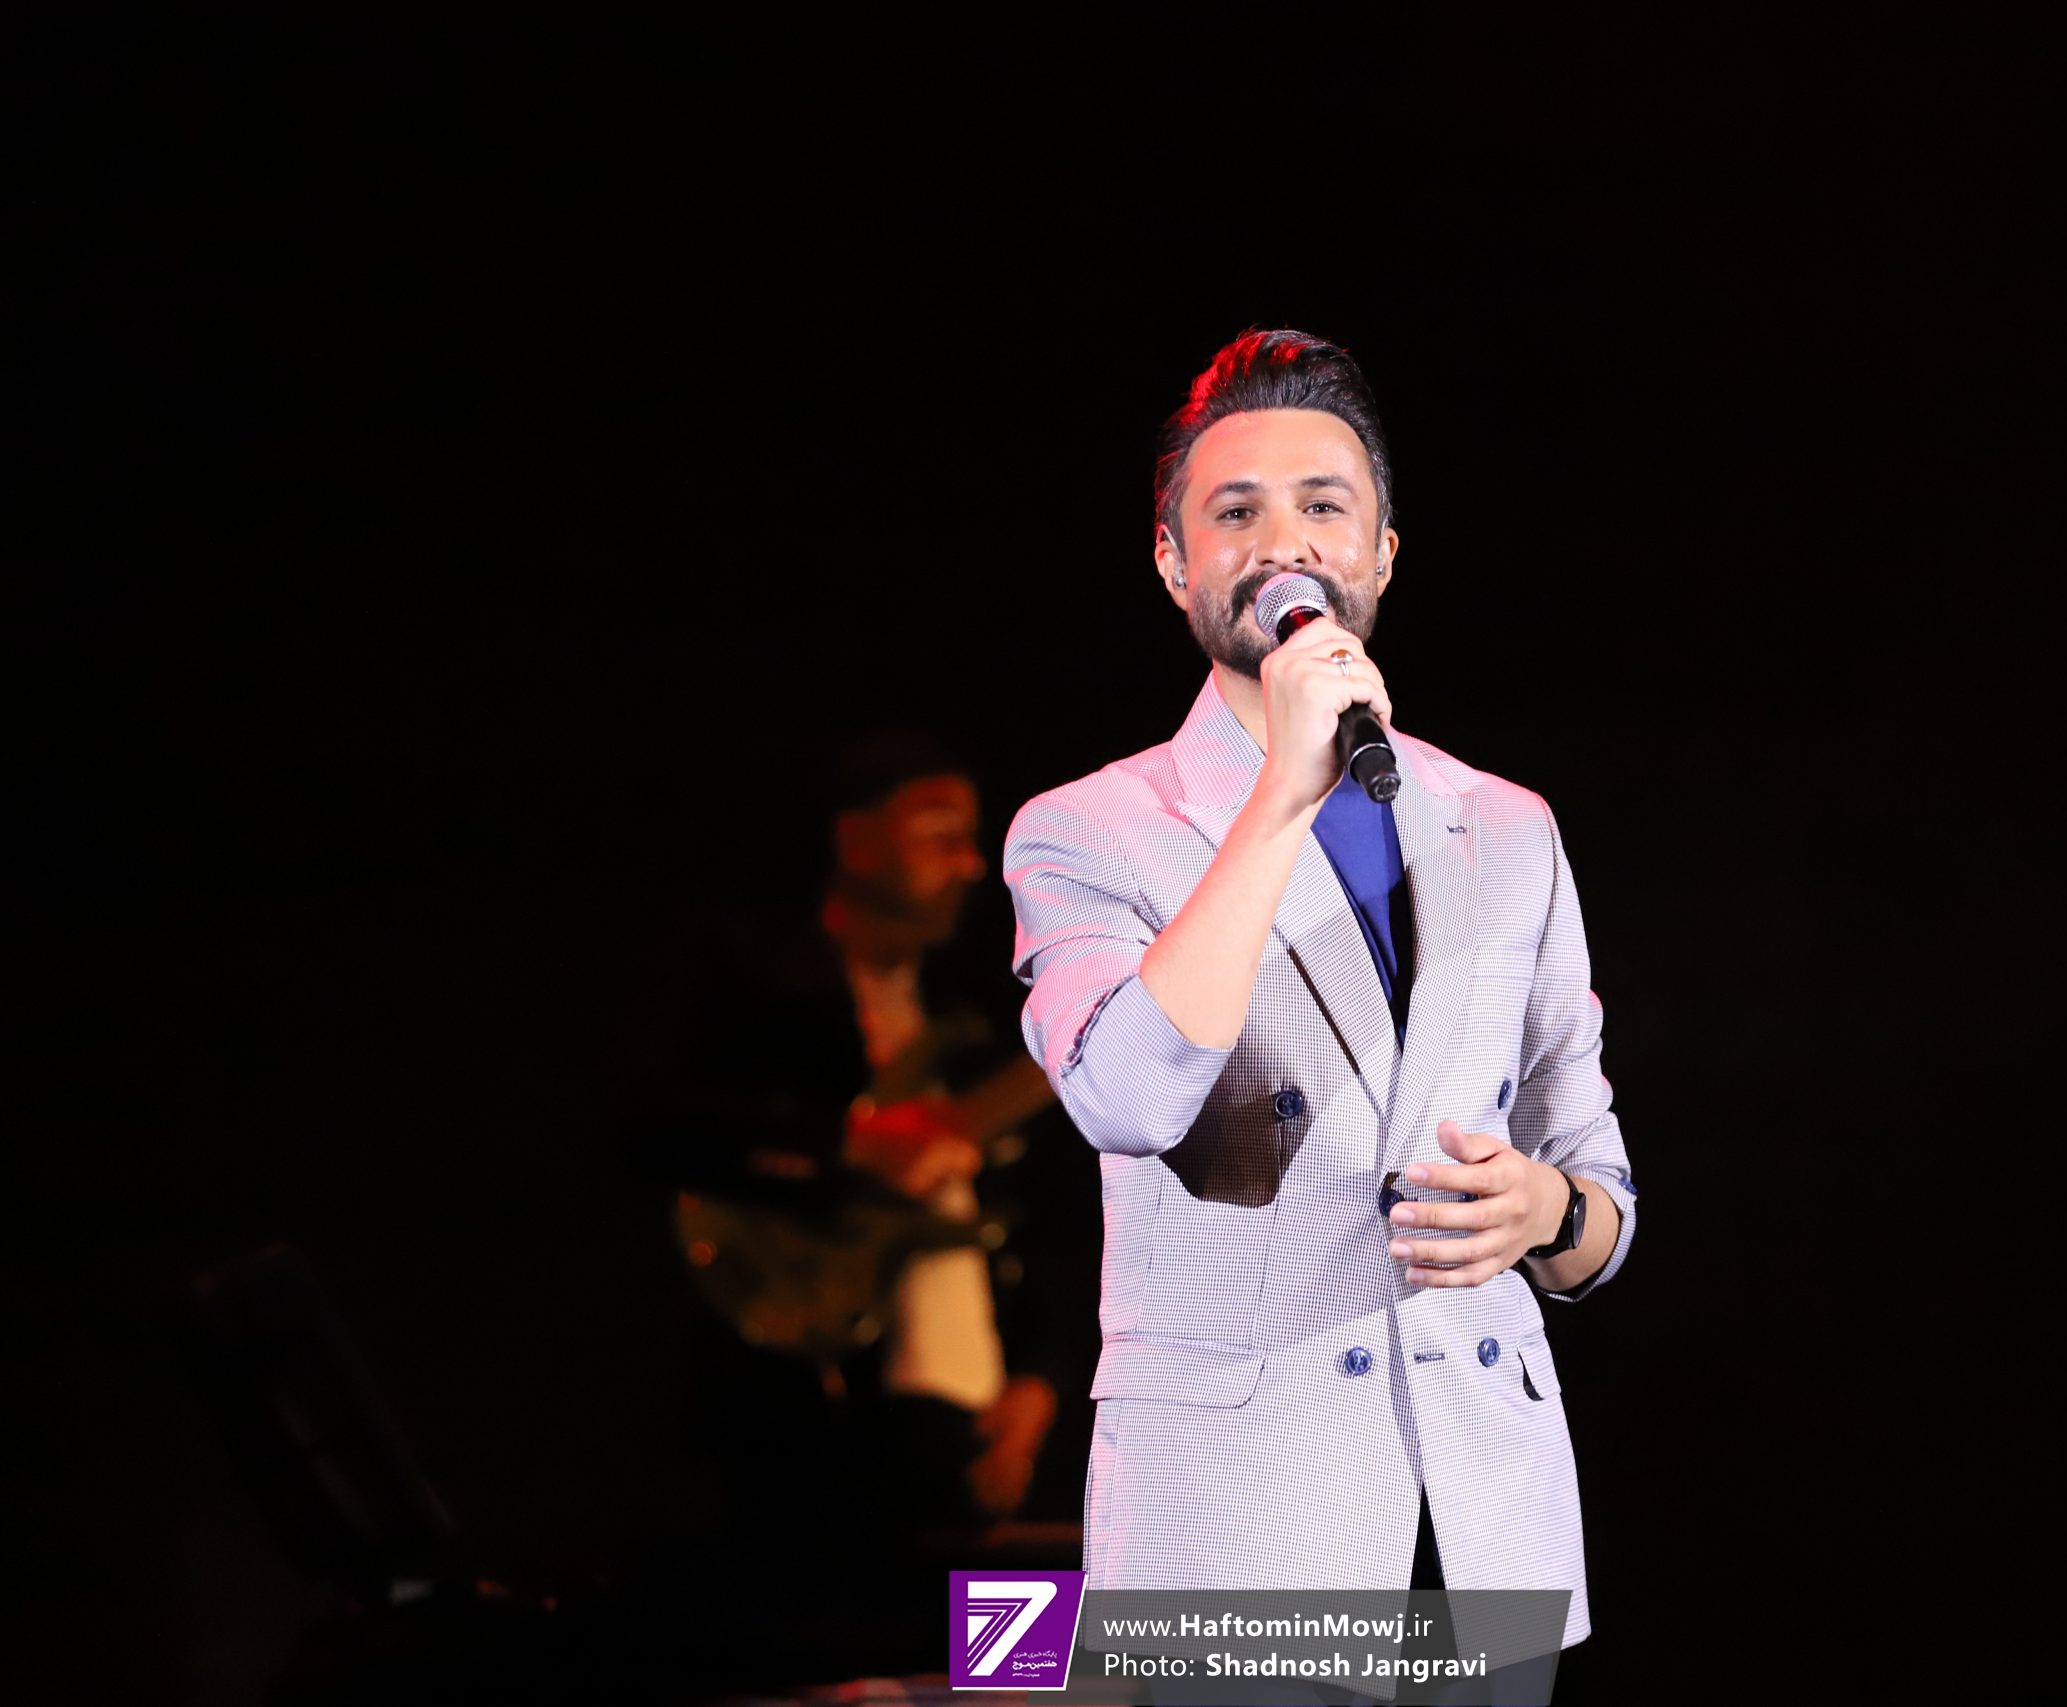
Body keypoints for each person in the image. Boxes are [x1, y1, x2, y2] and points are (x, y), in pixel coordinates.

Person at [1002, 330, 1637, 1685]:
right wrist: (1282, 793)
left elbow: (1599, 1181)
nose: (1282, 541)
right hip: (1237, 1519)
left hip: (1481, 1515)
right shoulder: (1089, 828)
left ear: (1382, 555)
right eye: (1235, 512)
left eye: (1322, 506)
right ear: (1173, 561)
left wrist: (1547, 1211)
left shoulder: (1506, 825)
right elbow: (1126, 1095)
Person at [615, 733, 1065, 1570]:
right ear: (855, 840)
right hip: (798, 1405)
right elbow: (646, 1114)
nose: (970, 863)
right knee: (824, 1633)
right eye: (938, 833)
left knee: (1011, 1646)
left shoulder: (972, 1012)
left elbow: (1031, 1218)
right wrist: (849, 1143)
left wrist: (1038, 1380)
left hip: (966, 1414)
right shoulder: (744, 971)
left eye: (972, 838)